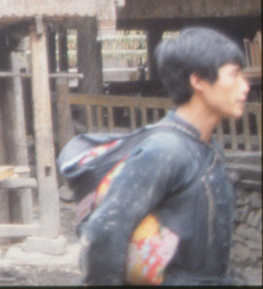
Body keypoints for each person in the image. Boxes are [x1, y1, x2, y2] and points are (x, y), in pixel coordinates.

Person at [80, 27, 249, 285]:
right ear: (198, 81)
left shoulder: (208, 148)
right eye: (234, 75)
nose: (245, 86)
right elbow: (105, 232)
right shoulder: (165, 151)